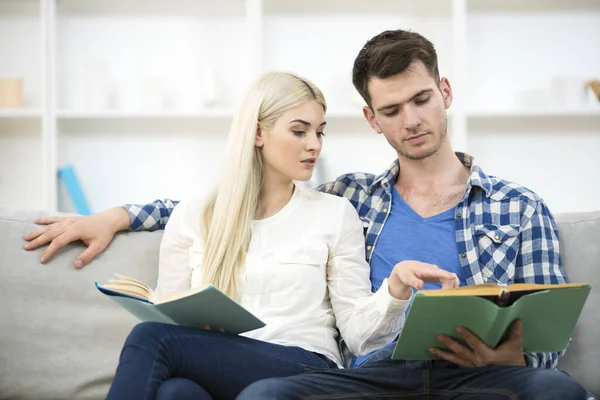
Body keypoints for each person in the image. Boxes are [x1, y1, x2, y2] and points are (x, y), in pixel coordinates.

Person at [24, 30, 591, 399]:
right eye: (392, 109)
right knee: (257, 395)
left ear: (444, 92)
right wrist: (119, 215)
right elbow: (243, 204)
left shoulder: (518, 206)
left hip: (477, 374)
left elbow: (546, 330)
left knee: (558, 390)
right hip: (375, 375)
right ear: (373, 120)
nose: (412, 119)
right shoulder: (350, 197)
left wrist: (512, 353)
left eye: (421, 100)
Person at [103, 71, 460, 400]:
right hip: (219, 364)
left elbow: (358, 334)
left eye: (319, 132)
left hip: (304, 366)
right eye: (299, 131)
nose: (314, 145)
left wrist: (395, 290)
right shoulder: (192, 216)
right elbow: (170, 318)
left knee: (150, 338)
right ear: (258, 133)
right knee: (176, 393)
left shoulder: (334, 214)